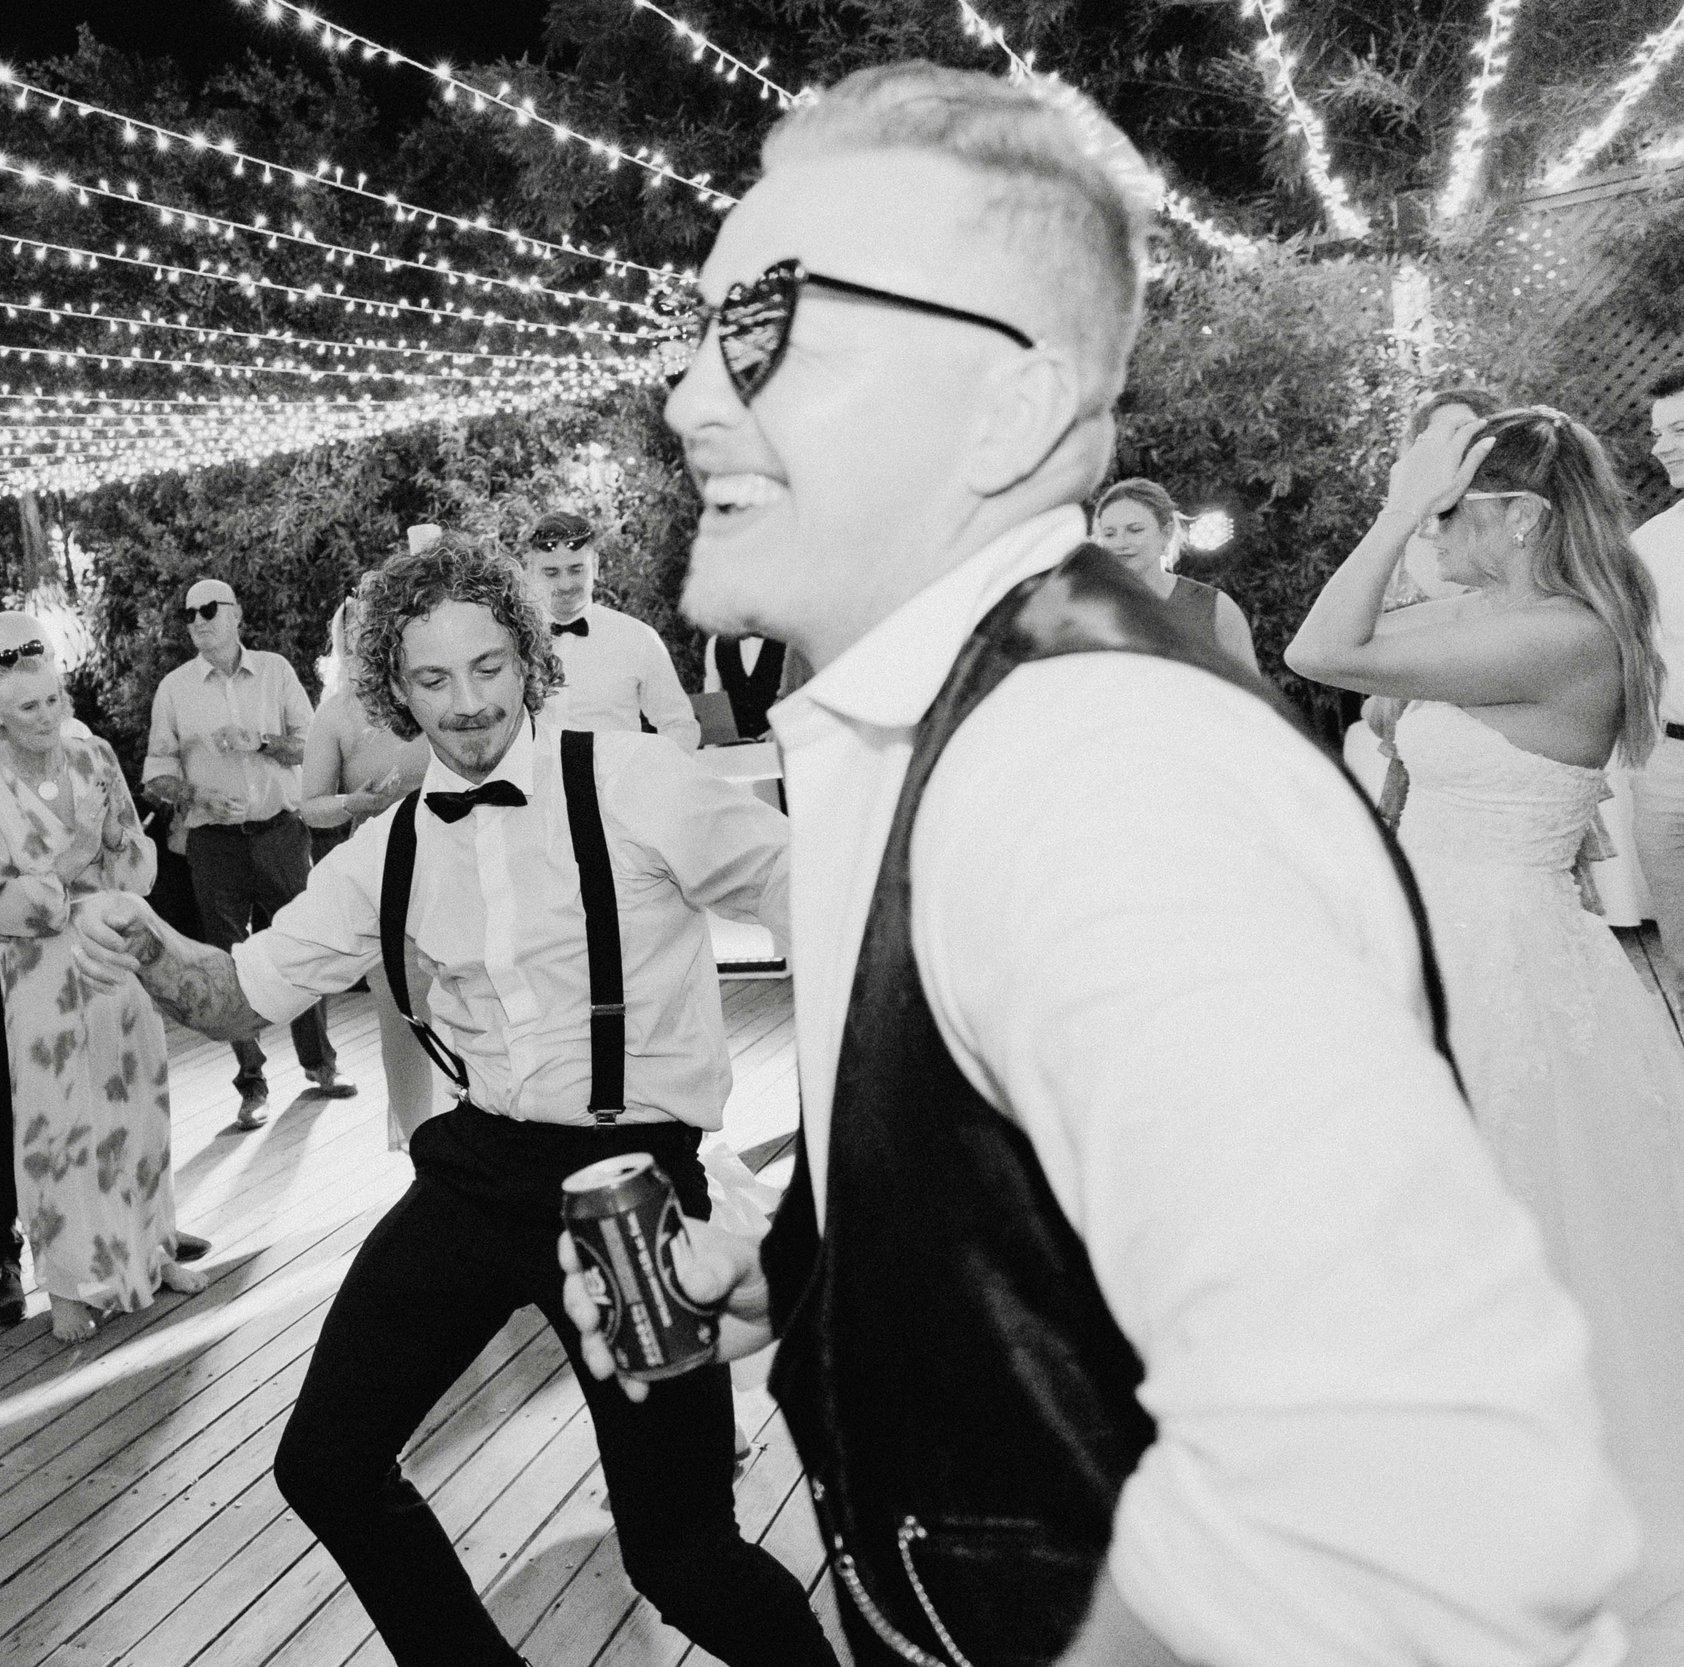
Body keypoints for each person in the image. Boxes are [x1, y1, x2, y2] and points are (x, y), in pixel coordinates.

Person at [567, 59, 1635, 1667]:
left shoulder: (1091, 768)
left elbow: (1414, 1506)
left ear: (1007, 405)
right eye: (697, 329)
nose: (694, 395)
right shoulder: (900, 716)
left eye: (767, 324)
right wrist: (814, 1270)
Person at [71, 534, 831, 1667]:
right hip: (472, 1175)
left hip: (625, 1194)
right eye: (433, 678)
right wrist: (145, 937)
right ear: (393, 688)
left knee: (676, 1547)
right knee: (322, 1464)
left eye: (486, 667)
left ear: (526, 659)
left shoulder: (631, 780)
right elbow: (234, 995)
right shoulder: (382, 853)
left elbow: (821, 892)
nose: (467, 703)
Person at [1289, 404, 1684, 1647]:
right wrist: (1421, 512)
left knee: (1514, 1221)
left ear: (1516, 516)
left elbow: (1320, 647)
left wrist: (1403, 507)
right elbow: (1356, 643)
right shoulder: (1496, 622)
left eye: (1456, 510)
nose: (1432, 531)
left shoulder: (1563, 636)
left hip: (1500, 960)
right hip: (1435, 944)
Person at [0, 610, 207, 1326]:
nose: (41, 708)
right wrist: (65, 867)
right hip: (18, 960)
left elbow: (135, 861)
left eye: (49, 689)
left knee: (135, 1102)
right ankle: (38, 1268)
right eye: (18, 686)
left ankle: (147, 1250)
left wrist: (103, 857)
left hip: (111, 952)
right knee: (39, 1117)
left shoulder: (92, 754)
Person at [141, 576, 350, 1129]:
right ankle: (251, 1085)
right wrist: (195, 794)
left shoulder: (276, 671)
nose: (198, 621)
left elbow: (309, 747)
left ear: (236, 615)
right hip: (213, 843)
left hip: (280, 833)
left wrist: (258, 742)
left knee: (302, 946)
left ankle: (321, 1066)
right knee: (226, 962)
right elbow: (155, 776)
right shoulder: (174, 689)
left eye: (209, 609)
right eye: (189, 614)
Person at [300, 592, 433, 1147]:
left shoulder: (428, 689)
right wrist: (357, 803)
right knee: (404, 1015)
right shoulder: (335, 713)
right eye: (356, 634)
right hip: (384, 873)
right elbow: (310, 806)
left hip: (457, 860)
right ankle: (423, 1150)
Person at [1355, 384, 1507, 821]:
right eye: (1434, 437)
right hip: (1412, 738)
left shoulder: (1511, 525)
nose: (1448, 446)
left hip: (1495, 738)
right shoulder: (1401, 539)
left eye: (1461, 430)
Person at [525, 510, 702, 747]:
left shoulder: (637, 639)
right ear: (531, 570)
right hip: (535, 783)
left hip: (615, 783)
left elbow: (679, 726)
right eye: (551, 572)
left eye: (576, 569)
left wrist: (651, 777)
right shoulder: (513, 641)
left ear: (595, 565)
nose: (565, 584)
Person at [1630, 367, 1684, 980]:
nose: (1659, 445)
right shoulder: (1649, 545)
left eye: (1678, 429)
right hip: (1669, 768)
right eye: (1657, 431)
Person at [1089, 477, 1259, 671]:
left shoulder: (1214, 608)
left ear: (1166, 532)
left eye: (1135, 530)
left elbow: (1249, 696)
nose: (1121, 543)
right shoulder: (1085, 607)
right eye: (1110, 534)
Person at [700, 631, 785, 740]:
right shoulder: (716, 643)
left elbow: (798, 692)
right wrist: (722, 741)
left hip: (780, 743)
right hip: (735, 749)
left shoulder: (785, 638)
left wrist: (781, 730)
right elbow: (712, 698)